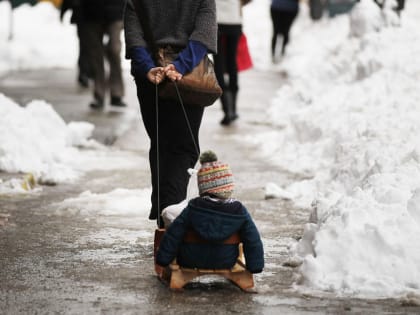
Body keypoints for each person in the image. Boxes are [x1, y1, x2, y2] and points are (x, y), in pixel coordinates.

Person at [124, 0, 217, 227]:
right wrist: (179, 66)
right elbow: (203, 32)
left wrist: (147, 67)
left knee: (161, 144)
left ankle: (161, 210)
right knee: (184, 148)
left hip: (150, 78)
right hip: (188, 77)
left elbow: (133, 33)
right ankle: (170, 217)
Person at [156, 151, 265, 273]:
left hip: (190, 260)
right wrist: (255, 266)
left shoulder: (193, 207)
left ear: (203, 187)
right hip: (226, 261)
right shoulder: (239, 211)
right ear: (229, 186)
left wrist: (163, 260)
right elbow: (253, 240)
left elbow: (174, 233)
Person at [82, 0, 126, 109]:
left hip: (116, 11)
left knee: (115, 50)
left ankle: (117, 93)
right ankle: (99, 94)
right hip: (91, 12)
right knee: (96, 55)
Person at [214, 0, 250, 126]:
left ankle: (226, 110)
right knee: (232, 63)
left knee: (218, 65)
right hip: (234, 20)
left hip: (215, 19)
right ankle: (233, 109)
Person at [60, 0, 91, 88]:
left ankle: (88, 72)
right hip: (83, 18)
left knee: (88, 47)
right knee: (85, 46)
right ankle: (85, 72)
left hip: (93, 18)